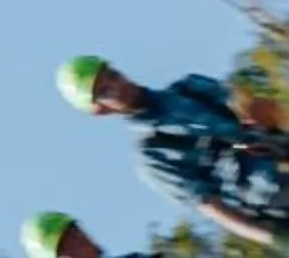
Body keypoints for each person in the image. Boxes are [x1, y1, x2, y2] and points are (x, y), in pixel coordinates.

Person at [59, 54, 289, 246]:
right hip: (273, 194)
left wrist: (252, 113)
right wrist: (276, 239)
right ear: (100, 110)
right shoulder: (152, 156)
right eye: (105, 91)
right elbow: (213, 208)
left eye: (113, 75)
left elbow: (249, 104)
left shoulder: (188, 87)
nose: (117, 86)